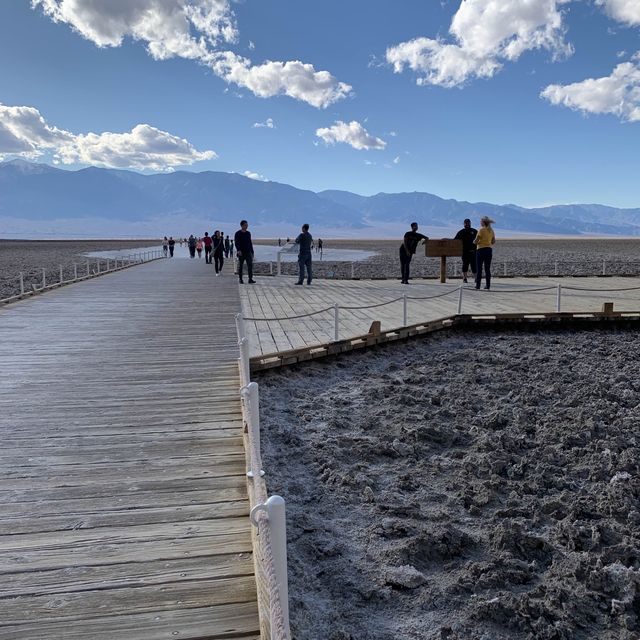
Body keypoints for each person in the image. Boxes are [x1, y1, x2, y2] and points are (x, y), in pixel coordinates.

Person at [474, 216, 496, 290]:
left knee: (479, 268)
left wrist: (474, 242)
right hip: (489, 250)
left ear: (483, 222)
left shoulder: (481, 230)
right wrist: (488, 242)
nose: (480, 222)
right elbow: (493, 241)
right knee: (487, 269)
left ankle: (478, 285)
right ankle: (488, 285)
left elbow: (476, 240)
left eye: (481, 221)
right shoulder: (491, 230)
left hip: (480, 250)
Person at [454, 218, 478, 283]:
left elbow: (479, 240)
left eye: (468, 223)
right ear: (464, 224)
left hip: (474, 252)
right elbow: (455, 241)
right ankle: (464, 278)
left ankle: (476, 278)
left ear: (470, 223)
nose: (467, 224)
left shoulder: (475, 231)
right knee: (465, 265)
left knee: (474, 265)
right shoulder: (461, 232)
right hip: (465, 252)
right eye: (466, 223)